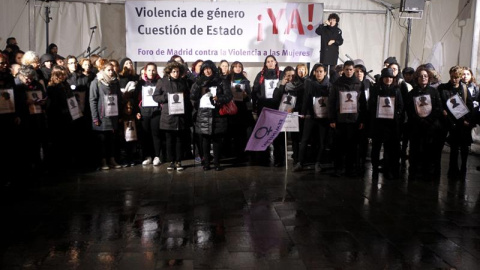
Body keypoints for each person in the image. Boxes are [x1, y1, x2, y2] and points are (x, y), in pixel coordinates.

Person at [191, 60, 232, 171]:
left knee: (217, 140)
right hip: (203, 114)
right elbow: (193, 96)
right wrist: (198, 85)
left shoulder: (221, 81)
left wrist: (219, 98)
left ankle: (217, 162)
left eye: (209, 68)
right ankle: (206, 162)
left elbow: (229, 96)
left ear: (213, 69)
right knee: (205, 140)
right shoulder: (198, 81)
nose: (207, 71)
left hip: (217, 114)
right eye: (205, 69)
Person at [328, 60, 367, 177]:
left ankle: (350, 169)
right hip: (340, 120)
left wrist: (362, 120)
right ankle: (338, 169)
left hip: (354, 120)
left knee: (352, 146)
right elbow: (331, 102)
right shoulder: (337, 84)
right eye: (347, 69)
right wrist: (332, 119)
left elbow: (363, 103)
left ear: (353, 70)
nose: (349, 72)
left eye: (351, 69)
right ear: (343, 70)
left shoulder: (359, 84)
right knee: (339, 146)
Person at [405, 66, 444, 180]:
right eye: (421, 76)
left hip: (431, 127)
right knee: (416, 150)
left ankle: (428, 173)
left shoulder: (434, 91)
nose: (423, 78)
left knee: (429, 151)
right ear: (417, 78)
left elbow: (438, 108)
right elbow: (410, 109)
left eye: (425, 76)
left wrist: (429, 120)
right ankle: (415, 172)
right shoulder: (412, 93)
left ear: (429, 78)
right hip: (416, 126)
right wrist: (419, 120)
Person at [153, 61, 192, 171]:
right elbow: (155, 96)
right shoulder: (162, 81)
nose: (176, 73)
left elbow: (188, 96)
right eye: (174, 71)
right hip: (168, 116)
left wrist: (184, 98)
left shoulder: (183, 82)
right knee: (169, 140)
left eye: (178, 71)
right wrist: (166, 98)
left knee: (179, 140)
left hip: (180, 116)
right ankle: (171, 161)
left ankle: (178, 161)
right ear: (169, 72)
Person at [294, 63, 332, 173]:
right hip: (310, 115)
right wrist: (303, 113)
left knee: (321, 141)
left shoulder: (329, 86)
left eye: (321, 71)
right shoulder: (309, 83)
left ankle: (318, 163)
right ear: (314, 72)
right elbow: (305, 99)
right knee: (304, 139)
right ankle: (300, 162)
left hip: (323, 117)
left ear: (325, 73)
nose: (319, 73)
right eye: (317, 71)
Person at [438, 66, 474, 179]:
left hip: (462, 124)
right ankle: (452, 170)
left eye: (457, 77)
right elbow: (440, 104)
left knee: (464, 148)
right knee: (453, 148)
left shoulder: (464, 89)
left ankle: (463, 169)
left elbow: (470, 105)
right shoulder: (443, 88)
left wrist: (467, 120)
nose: (454, 79)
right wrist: (444, 113)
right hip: (449, 122)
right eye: (452, 77)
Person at [368, 68, 404, 179]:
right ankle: (374, 167)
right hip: (378, 123)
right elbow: (371, 104)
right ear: (382, 78)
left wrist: (396, 114)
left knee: (389, 148)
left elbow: (401, 106)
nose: (388, 79)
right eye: (386, 77)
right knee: (376, 147)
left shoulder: (397, 90)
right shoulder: (375, 89)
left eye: (390, 77)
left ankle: (387, 168)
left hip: (391, 124)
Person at [89, 59, 123, 170]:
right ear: (103, 70)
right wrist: (95, 117)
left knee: (112, 140)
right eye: (109, 70)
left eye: (112, 70)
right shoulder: (96, 82)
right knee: (102, 141)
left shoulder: (115, 82)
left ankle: (112, 159)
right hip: (102, 116)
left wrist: (119, 115)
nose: (111, 72)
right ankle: (103, 161)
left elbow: (119, 99)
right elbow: (93, 100)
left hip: (113, 115)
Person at [252, 55, 283, 165]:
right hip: (263, 108)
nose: (270, 63)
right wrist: (256, 105)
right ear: (265, 64)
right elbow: (255, 91)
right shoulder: (260, 75)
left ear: (275, 62)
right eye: (268, 61)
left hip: (278, 108)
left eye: (272, 61)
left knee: (277, 134)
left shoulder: (281, 74)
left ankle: (279, 159)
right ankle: (264, 159)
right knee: (263, 133)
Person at [224, 61, 255, 163]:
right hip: (232, 110)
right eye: (235, 67)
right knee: (233, 133)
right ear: (232, 68)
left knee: (242, 134)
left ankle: (242, 154)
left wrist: (246, 95)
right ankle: (233, 154)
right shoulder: (227, 79)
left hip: (242, 110)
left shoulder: (245, 80)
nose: (238, 68)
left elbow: (250, 96)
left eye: (239, 67)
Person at [134, 62, 163, 166]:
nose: (151, 72)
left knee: (156, 135)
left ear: (156, 71)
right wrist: (137, 111)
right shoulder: (140, 83)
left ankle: (157, 156)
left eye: (153, 70)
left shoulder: (160, 82)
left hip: (156, 112)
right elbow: (135, 99)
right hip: (144, 113)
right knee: (145, 136)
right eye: (149, 70)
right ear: (145, 71)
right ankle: (147, 156)